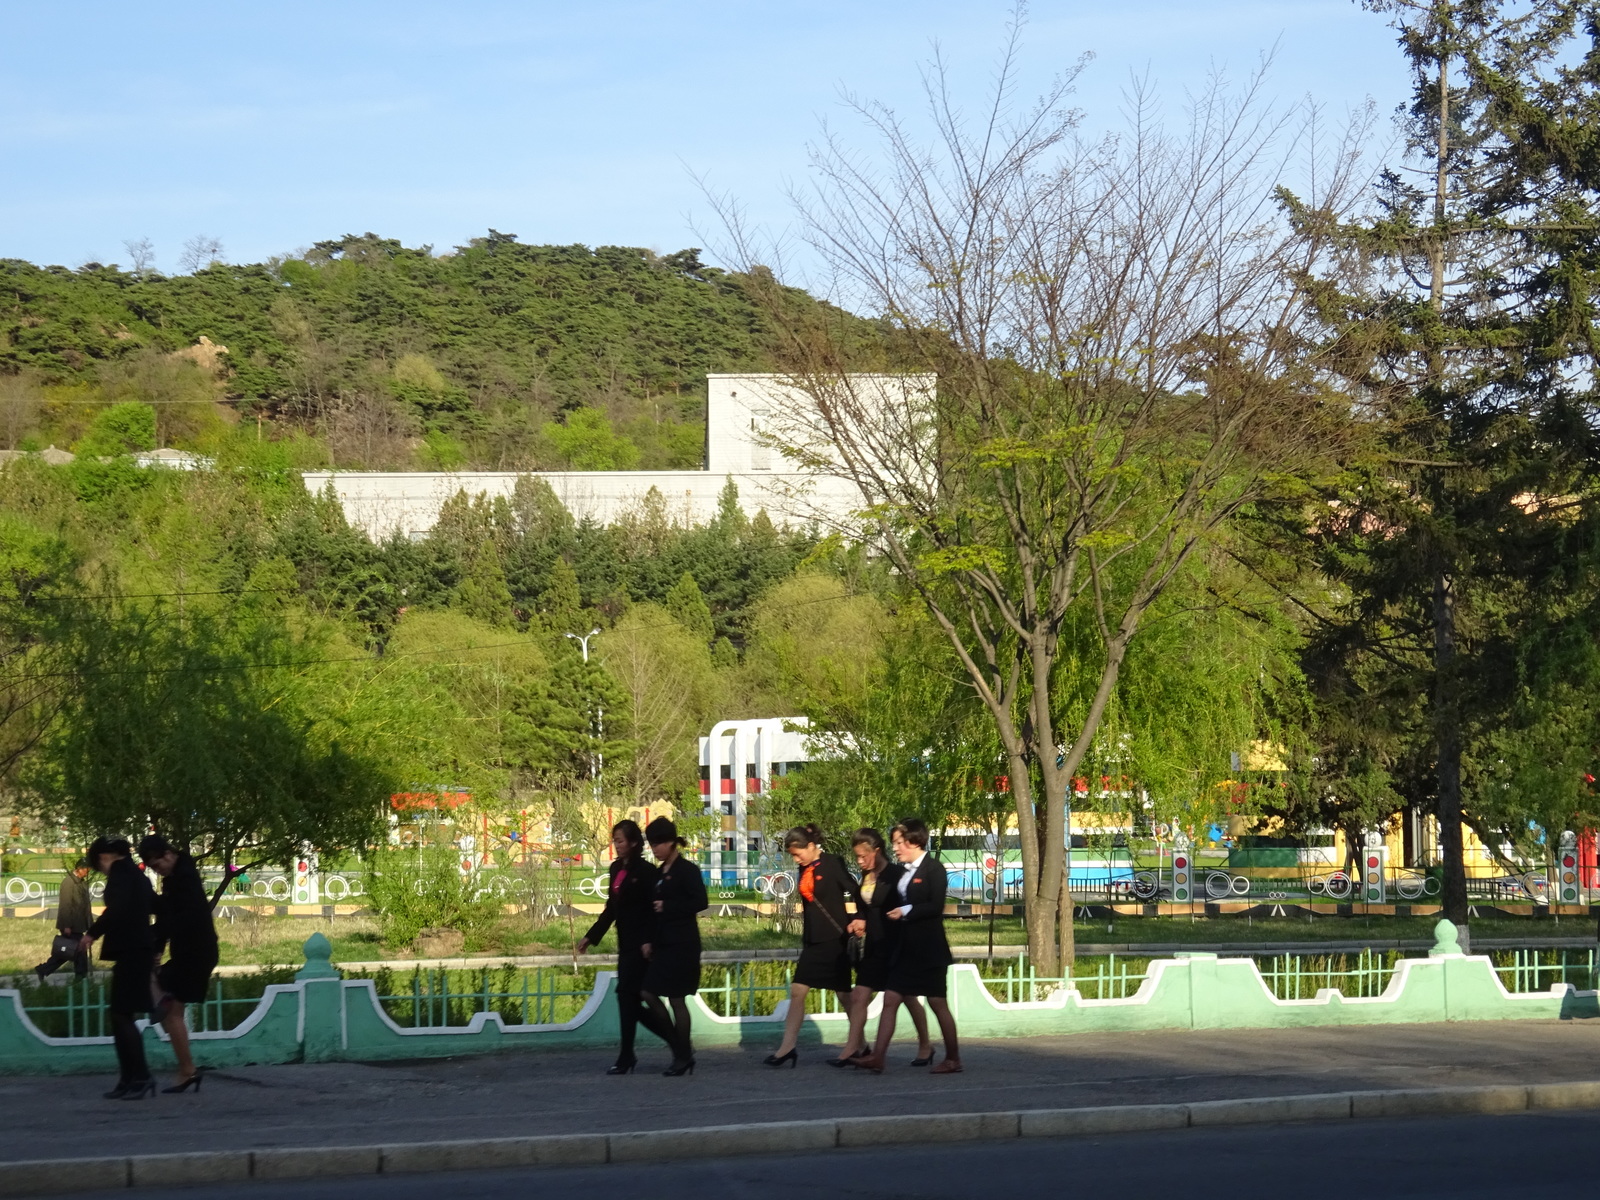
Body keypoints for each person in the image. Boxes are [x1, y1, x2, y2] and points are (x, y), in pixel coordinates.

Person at [855, 817, 962, 1075]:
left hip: (929, 949)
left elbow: (935, 906)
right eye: (894, 843)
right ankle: (878, 1057)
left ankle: (953, 1058)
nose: (896, 848)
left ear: (914, 841)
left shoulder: (933, 869)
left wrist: (906, 910)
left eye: (899, 842)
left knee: (937, 1003)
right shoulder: (903, 873)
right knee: (891, 998)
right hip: (906, 949)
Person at [575, 819, 676, 1074]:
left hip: (642, 946)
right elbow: (612, 908)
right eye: (615, 841)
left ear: (633, 843)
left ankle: (633, 1054)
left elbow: (654, 912)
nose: (617, 845)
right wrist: (591, 936)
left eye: (620, 841)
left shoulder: (647, 872)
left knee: (627, 996)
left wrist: (648, 940)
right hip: (626, 942)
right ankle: (674, 1044)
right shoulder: (615, 869)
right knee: (628, 1000)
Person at [832, 828, 933, 1067]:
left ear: (877, 851)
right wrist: (859, 918)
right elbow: (866, 907)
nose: (859, 861)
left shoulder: (897, 874)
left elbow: (911, 905)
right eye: (856, 856)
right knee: (859, 995)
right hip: (874, 946)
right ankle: (852, 1048)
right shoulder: (866, 876)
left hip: (897, 944)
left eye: (863, 856)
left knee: (908, 997)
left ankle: (926, 1045)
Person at [764, 824, 859, 1067]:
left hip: (834, 940)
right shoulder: (803, 868)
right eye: (792, 855)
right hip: (813, 941)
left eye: (798, 853)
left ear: (811, 846)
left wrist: (858, 919)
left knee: (844, 995)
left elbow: (854, 891)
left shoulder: (832, 863)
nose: (796, 859)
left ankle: (860, 1044)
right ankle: (787, 1048)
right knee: (798, 990)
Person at [139, 834, 218, 1094]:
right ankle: (186, 1070)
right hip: (191, 952)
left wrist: (155, 935)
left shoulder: (185, 880)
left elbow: (179, 917)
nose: (157, 869)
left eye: (157, 864)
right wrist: (158, 946)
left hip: (196, 953)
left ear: (168, 854)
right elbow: (169, 916)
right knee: (173, 1011)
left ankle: (187, 1070)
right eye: (152, 867)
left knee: (170, 1009)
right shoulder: (176, 878)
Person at [80, 837, 157, 1100]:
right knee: (121, 1015)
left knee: (122, 1015)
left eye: (98, 863)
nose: (100, 868)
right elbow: (154, 905)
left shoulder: (120, 876)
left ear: (104, 857)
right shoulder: (138, 876)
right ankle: (128, 1078)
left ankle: (141, 1077)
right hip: (138, 950)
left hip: (132, 951)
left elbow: (118, 909)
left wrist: (92, 933)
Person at [640, 816, 706, 1077]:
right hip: (663, 944)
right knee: (648, 993)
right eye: (652, 845)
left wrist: (669, 906)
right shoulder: (658, 874)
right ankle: (680, 1047)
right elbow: (650, 910)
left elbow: (699, 902)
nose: (654, 850)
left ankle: (682, 1056)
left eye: (658, 844)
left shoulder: (687, 870)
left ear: (671, 843)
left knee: (677, 999)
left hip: (683, 944)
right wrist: (647, 940)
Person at [35, 859, 92, 983]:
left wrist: (89, 924)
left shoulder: (82, 883)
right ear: (79, 869)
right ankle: (81, 978)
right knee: (77, 951)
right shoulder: (68, 883)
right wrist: (66, 925)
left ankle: (44, 969)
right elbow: (65, 905)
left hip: (78, 924)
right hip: (71, 925)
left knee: (68, 952)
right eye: (86, 870)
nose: (87, 873)